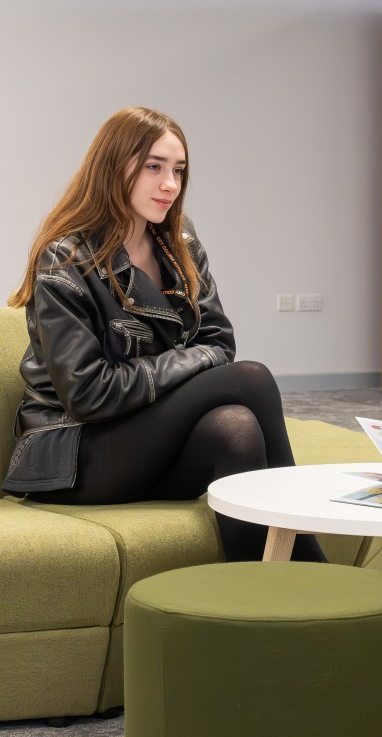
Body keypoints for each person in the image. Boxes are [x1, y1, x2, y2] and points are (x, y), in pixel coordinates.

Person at [3, 106, 325, 563]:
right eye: (154, 166)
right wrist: (196, 363)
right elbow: (90, 395)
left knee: (236, 430)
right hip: (75, 453)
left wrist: (196, 365)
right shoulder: (65, 258)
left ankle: (263, 600)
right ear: (114, 166)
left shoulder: (180, 242)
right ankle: (314, 566)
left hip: (144, 440)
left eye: (178, 170)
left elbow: (219, 340)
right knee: (250, 378)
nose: (170, 184)